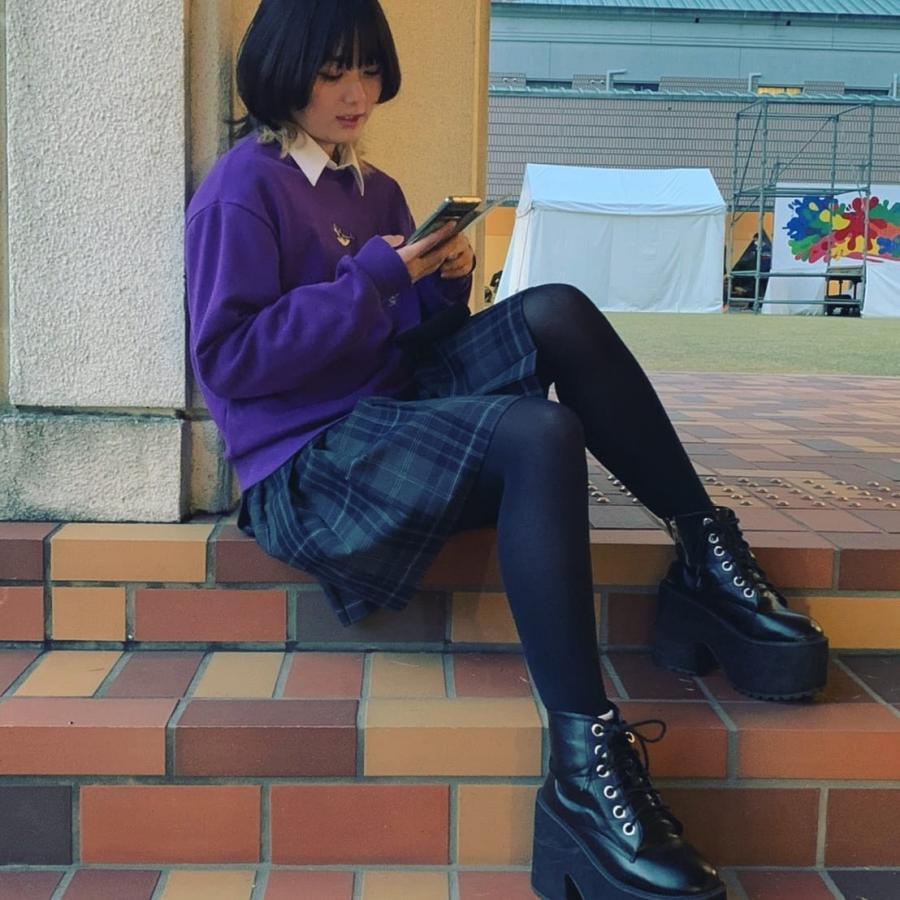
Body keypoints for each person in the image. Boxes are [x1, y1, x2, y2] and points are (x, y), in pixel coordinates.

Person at [184, 2, 828, 897]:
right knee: (540, 431)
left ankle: (703, 555)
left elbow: (399, 341)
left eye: (369, 70)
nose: (357, 92)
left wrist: (440, 287)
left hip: (387, 413)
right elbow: (229, 360)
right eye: (333, 72)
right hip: (310, 466)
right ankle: (585, 769)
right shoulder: (242, 189)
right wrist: (374, 278)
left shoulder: (370, 187)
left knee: (556, 308)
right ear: (282, 71)